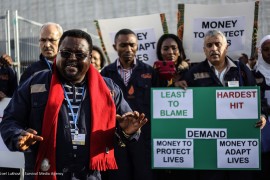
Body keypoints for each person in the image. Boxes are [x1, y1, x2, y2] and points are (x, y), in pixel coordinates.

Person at [0, 29, 148, 180]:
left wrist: (127, 132)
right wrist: (18, 135)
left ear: (90, 58)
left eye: (80, 55)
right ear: (58, 53)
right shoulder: (35, 83)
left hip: (89, 175)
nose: (72, 58)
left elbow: (129, 130)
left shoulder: (109, 89)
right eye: (66, 53)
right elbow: (10, 120)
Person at [175, 29, 266, 180]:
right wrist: (177, 87)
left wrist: (262, 115)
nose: (214, 49)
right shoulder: (193, 72)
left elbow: (258, 98)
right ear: (204, 50)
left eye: (218, 44)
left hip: (238, 144)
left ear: (226, 47)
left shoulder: (242, 70)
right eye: (209, 45)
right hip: (208, 146)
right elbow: (183, 103)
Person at [101, 28, 157, 180]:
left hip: (143, 139)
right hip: (116, 141)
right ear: (115, 47)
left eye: (132, 45)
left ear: (138, 46)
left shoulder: (150, 72)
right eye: (123, 45)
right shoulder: (105, 75)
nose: (128, 49)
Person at [251, 35, 270, 180]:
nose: (269, 52)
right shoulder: (253, 75)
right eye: (266, 49)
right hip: (264, 122)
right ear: (260, 52)